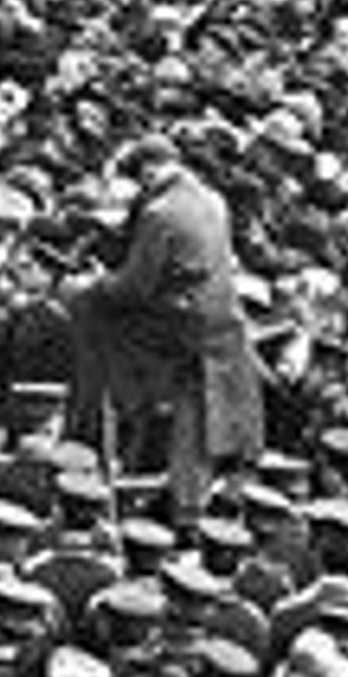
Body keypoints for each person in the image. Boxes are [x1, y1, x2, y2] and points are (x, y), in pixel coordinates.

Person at [65, 131, 264, 521]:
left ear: (150, 172)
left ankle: (98, 423)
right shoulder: (213, 199)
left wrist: (92, 282)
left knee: (88, 310)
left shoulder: (160, 213)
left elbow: (134, 288)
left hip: (178, 332)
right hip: (220, 323)